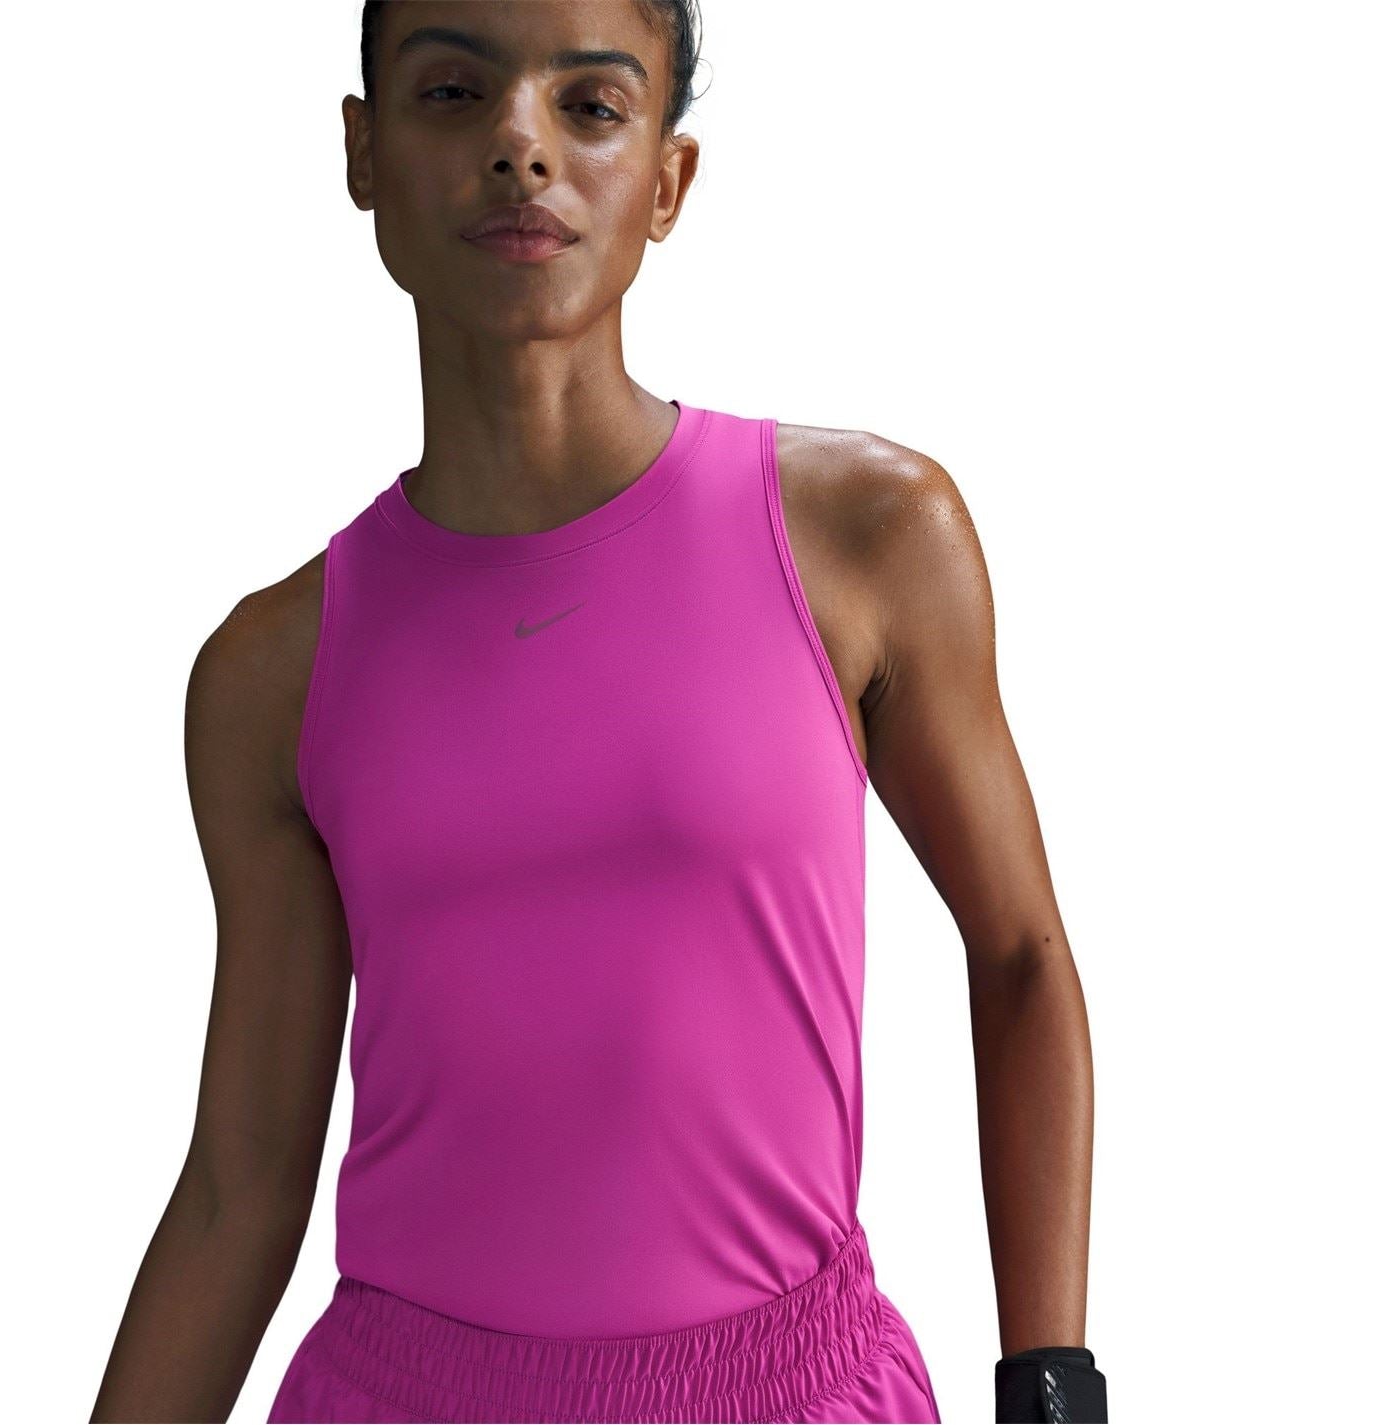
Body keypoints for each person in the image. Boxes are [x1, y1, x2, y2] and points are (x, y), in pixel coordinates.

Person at [91, 3, 1104, 1421]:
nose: (521, 146)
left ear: (668, 180)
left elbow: (1019, 954)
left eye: (590, 106)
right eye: (455, 92)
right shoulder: (272, 674)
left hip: (787, 1392)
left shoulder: (866, 538)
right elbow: (240, 1183)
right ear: (363, 151)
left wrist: (1052, 1380)